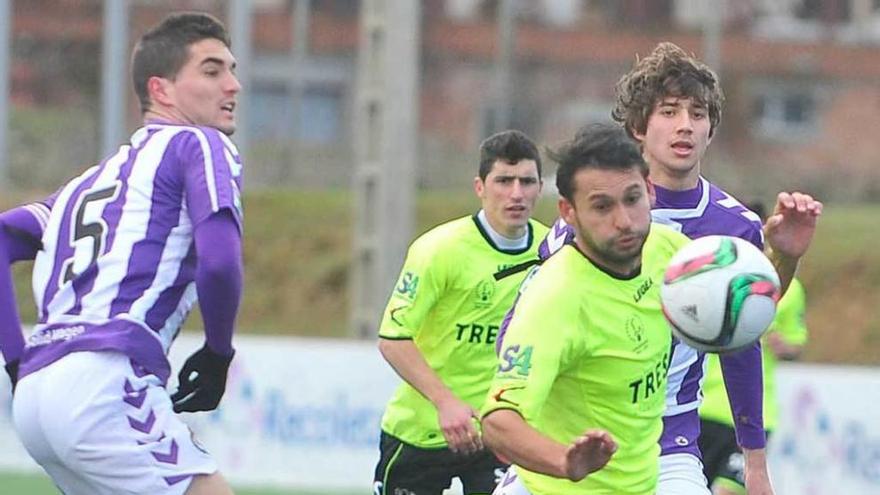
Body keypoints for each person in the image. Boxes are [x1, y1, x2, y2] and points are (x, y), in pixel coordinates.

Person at [520, 42, 822, 495]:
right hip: (574, 428)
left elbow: (741, 339)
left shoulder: (732, 226)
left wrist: (755, 463)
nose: (685, 126)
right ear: (638, 126)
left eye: (698, 114)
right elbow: (530, 326)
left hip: (668, 439)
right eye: (669, 111)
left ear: (711, 130)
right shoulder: (591, 218)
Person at [0, 12, 242, 495]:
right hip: (105, 380)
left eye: (233, 70)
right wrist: (218, 352)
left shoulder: (86, 185)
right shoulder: (198, 143)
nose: (233, 85)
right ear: (162, 89)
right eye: (212, 71)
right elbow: (219, 261)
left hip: (37, 394)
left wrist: (15, 359)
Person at [482, 123, 691, 495]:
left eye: (632, 199)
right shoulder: (556, 298)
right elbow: (498, 422)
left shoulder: (667, 249)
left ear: (650, 191)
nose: (624, 221)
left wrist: (785, 256)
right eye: (601, 206)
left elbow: (742, 309)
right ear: (568, 211)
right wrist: (564, 461)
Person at [372, 130, 549, 495]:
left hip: (502, 434)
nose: (516, 193)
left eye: (526, 182)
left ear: (540, 187)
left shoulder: (554, 252)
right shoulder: (439, 250)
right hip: (422, 429)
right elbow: (393, 338)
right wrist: (445, 402)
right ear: (480, 187)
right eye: (504, 181)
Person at [699, 202, 811, 495]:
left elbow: (796, 342)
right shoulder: (710, 278)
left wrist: (782, 345)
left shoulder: (791, 288)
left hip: (756, 414)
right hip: (704, 409)